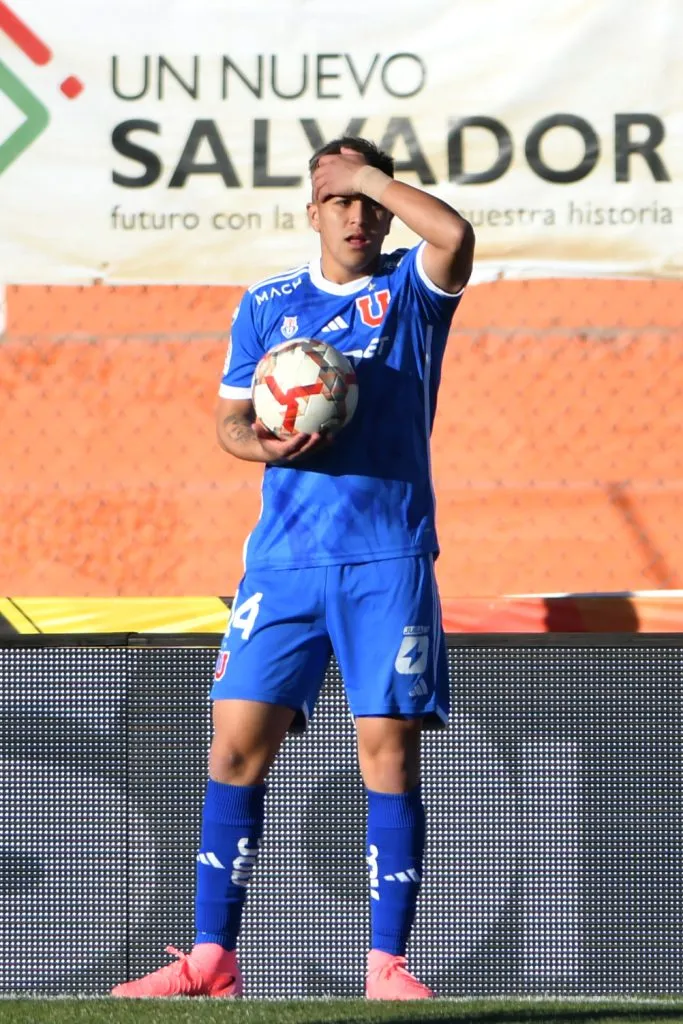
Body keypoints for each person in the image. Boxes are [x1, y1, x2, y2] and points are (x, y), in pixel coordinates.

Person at [112, 135, 474, 1000]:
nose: (354, 213)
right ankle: (210, 959)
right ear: (311, 213)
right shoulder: (267, 303)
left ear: (383, 207)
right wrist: (263, 442)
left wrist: (371, 175)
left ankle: (385, 963)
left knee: (384, 752)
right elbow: (231, 423)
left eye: (366, 200)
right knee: (233, 748)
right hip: (281, 562)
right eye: (337, 199)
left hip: (384, 555)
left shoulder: (407, 293)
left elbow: (455, 237)